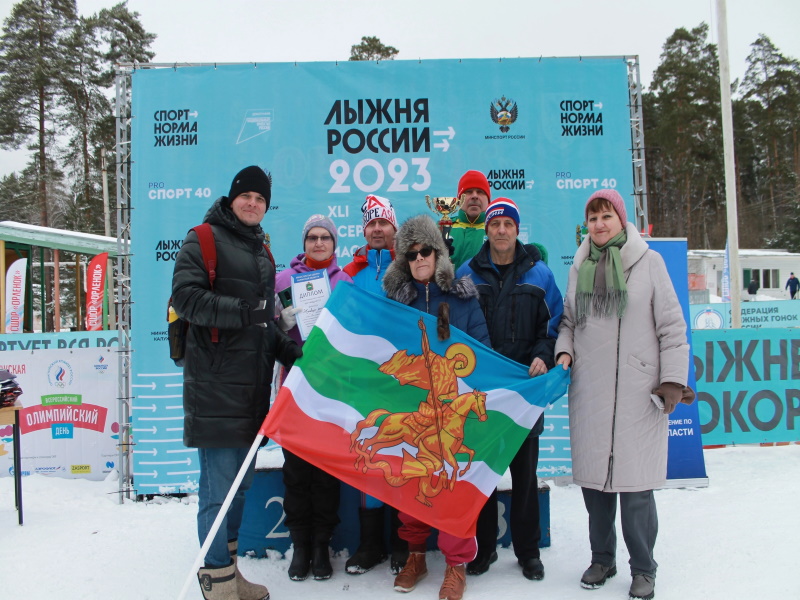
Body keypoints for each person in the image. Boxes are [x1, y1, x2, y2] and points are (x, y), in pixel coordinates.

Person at [171, 165, 302, 600]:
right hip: (215, 388)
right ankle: (216, 579)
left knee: (239, 488)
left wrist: (291, 353)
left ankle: (227, 571)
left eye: (260, 199)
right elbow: (186, 299)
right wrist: (244, 311)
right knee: (218, 489)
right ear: (232, 199)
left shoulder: (262, 252)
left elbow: (265, 324)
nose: (252, 203)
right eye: (246, 196)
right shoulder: (202, 238)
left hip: (252, 393)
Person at [554, 189, 690, 600]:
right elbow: (569, 322)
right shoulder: (580, 265)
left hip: (637, 392)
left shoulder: (649, 263)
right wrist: (563, 352)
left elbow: (672, 327)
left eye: (605, 215)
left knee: (635, 490)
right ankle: (602, 559)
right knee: (595, 488)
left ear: (621, 219)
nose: (598, 224)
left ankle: (644, 568)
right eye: (592, 217)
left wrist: (671, 379)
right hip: (591, 392)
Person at [382, 214, 491, 600]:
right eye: (411, 254)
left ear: (438, 251)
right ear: (404, 261)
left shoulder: (462, 295)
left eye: (425, 250)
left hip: (452, 406)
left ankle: (456, 565)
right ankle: (415, 555)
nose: (419, 258)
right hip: (416, 406)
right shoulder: (395, 302)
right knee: (412, 479)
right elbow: (388, 353)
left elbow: (483, 351)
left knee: (453, 487)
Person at [456, 197, 563, 581]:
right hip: (481, 394)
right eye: (495, 224)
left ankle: (528, 552)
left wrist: (542, 356)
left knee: (524, 477)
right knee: (481, 476)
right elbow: (458, 331)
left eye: (508, 225)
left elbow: (553, 328)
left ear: (518, 230)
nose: (501, 230)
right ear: (486, 229)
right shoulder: (467, 273)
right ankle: (482, 549)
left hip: (523, 393)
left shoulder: (540, 274)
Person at [275, 214, 353, 582]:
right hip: (295, 390)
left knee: (324, 473)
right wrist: (281, 325)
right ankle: (300, 545)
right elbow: (266, 337)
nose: (319, 243)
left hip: (331, 392)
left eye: (325, 238)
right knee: (296, 473)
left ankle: (322, 545)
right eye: (312, 238)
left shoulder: (345, 283)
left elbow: (355, 337)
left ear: (335, 245)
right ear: (303, 243)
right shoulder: (282, 281)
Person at [342, 194, 408, 575]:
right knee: (369, 457)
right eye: (372, 224)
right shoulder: (352, 274)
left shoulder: (410, 266)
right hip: (365, 384)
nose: (378, 229)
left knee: (400, 458)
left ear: (394, 226)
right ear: (365, 230)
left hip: (401, 384)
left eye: (383, 222)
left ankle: (400, 541)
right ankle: (370, 545)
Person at [448, 170, 491, 269]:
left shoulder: (497, 230)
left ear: (488, 201)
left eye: (480, 192)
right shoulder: (442, 228)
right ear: (458, 201)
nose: (474, 196)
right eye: (468, 192)